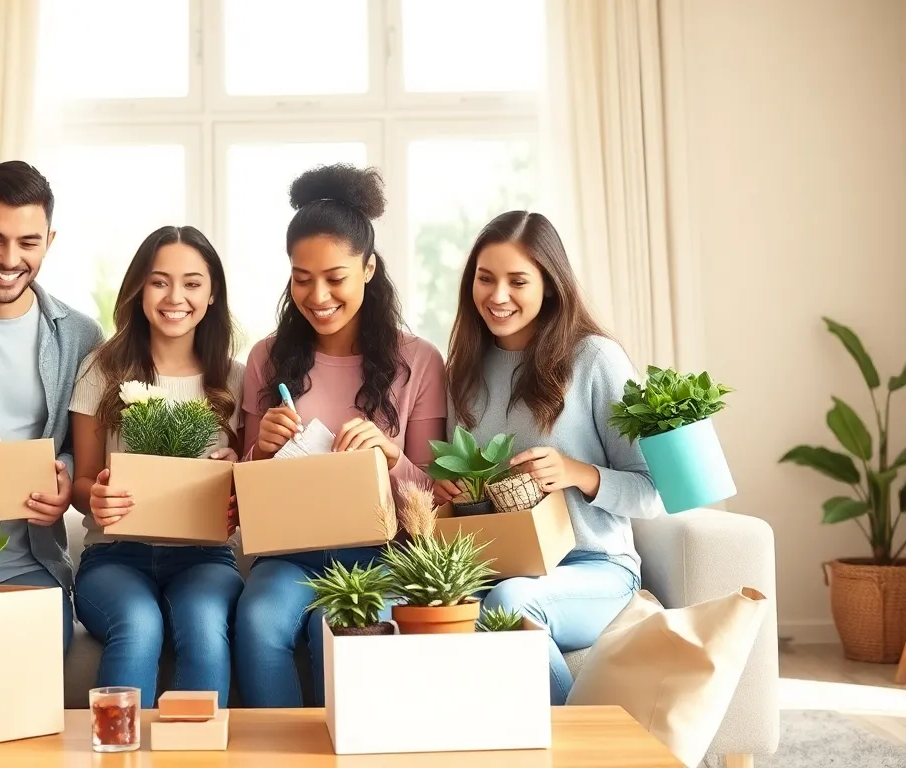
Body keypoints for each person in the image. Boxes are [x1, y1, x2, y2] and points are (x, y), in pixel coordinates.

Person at [233, 164, 448, 707]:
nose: (318, 295)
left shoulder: (418, 361)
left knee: (340, 629)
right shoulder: (267, 357)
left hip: (380, 553)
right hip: (288, 553)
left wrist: (391, 455)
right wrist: (260, 451)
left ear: (369, 268)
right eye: (301, 279)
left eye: (335, 277)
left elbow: (437, 496)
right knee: (258, 624)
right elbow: (243, 493)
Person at [437, 210, 663, 706]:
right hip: (497, 565)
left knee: (510, 603)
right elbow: (457, 482)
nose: (498, 296)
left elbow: (654, 492)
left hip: (595, 567)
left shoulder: (595, 360)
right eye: (486, 279)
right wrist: (450, 491)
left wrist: (576, 473)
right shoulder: (463, 372)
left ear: (550, 285)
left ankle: (583, 750)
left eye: (518, 281)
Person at [68, 225, 246, 708]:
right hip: (115, 556)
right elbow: (82, 482)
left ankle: (196, 758)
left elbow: (254, 486)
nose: (175, 297)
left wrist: (237, 476)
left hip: (205, 558)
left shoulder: (235, 380)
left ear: (212, 295)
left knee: (205, 628)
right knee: (139, 624)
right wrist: (96, 495)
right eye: (159, 281)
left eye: (192, 283)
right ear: (139, 289)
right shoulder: (100, 370)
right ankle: (118, 756)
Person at [0, 160, 105, 653]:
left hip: (31, 562)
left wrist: (66, 475)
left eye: (28, 242)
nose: (10, 258)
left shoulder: (79, 335)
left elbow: (83, 449)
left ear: (49, 241)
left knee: (29, 695)